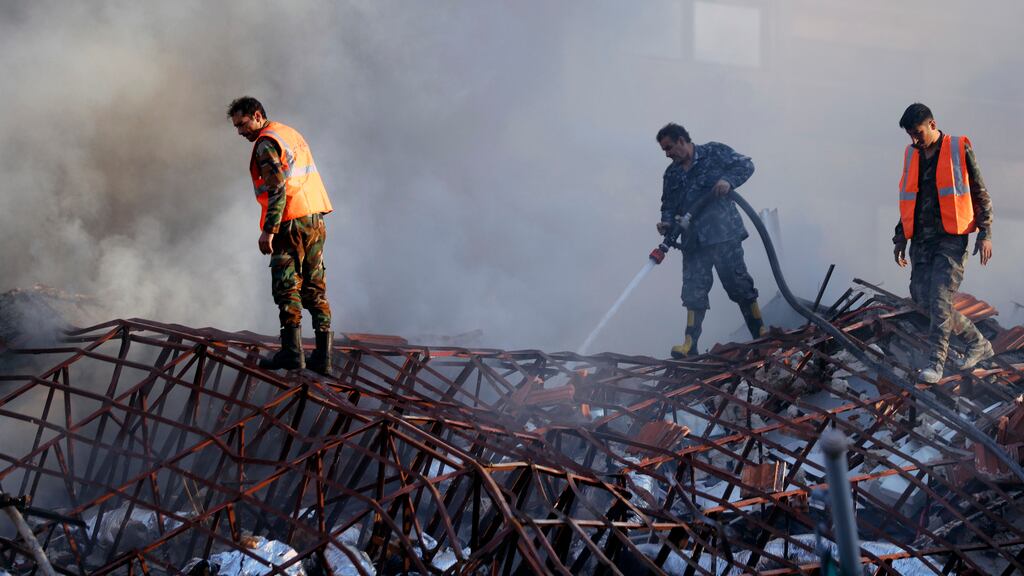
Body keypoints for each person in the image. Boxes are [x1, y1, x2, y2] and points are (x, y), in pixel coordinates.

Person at [227, 96, 335, 375]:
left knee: (286, 286)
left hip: (290, 222)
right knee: (315, 286)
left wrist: (268, 230)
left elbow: (276, 189)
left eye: (243, 124)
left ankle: (292, 353)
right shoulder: (288, 133)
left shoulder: (265, 143)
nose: (241, 132)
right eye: (237, 127)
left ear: (258, 115)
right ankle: (323, 357)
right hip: (314, 218)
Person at [893, 103, 995, 383]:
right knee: (922, 298)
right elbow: (907, 198)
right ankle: (978, 343)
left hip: (951, 238)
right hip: (922, 240)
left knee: (939, 296)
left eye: (918, 133)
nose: (914, 140)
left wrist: (986, 232)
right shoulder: (911, 155)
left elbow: (979, 191)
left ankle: (935, 364)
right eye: (910, 135)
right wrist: (900, 237)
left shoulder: (958, 148)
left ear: (932, 125)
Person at [655, 123, 765, 359]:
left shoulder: (714, 153)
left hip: (723, 235)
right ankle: (689, 344)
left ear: (682, 140)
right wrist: (666, 223)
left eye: (669, 147)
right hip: (693, 243)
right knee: (694, 292)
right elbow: (668, 205)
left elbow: (746, 164)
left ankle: (760, 334)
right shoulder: (672, 174)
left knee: (739, 286)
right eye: (664, 150)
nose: (667, 153)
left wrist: (728, 180)